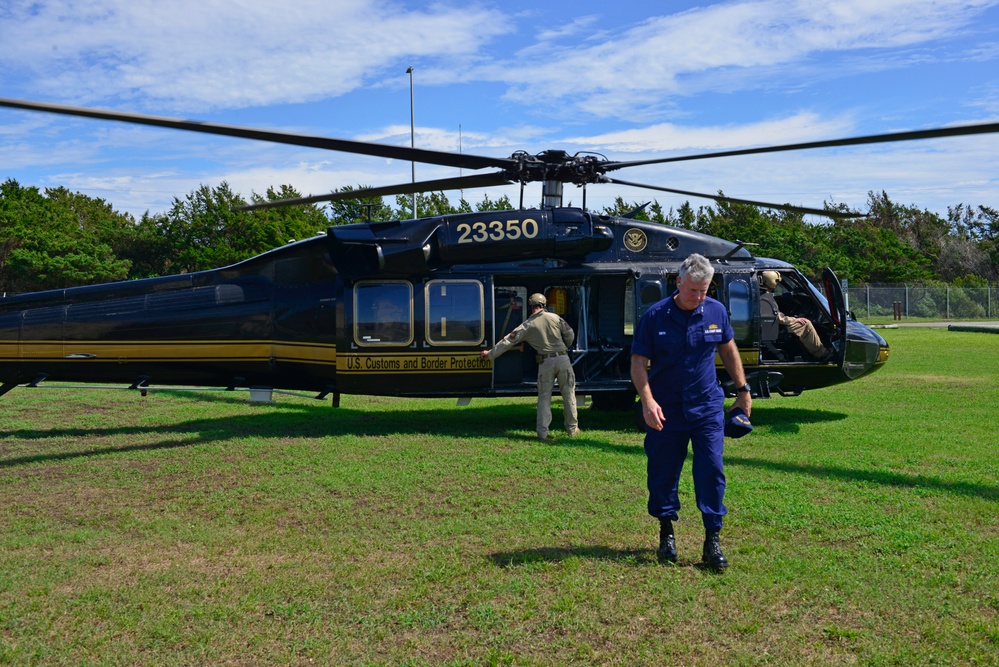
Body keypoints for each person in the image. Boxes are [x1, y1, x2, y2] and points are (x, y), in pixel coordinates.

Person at [630, 253, 751, 569]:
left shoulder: (716, 311)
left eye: (704, 290)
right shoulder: (655, 317)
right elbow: (638, 363)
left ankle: (712, 539)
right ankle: (666, 532)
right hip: (666, 409)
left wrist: (743, 390)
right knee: (663, 472)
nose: (698, 297)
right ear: (678, 282)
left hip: (707, 407)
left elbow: (728, 349)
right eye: (693, 290)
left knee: (711, 470)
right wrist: (647, 401)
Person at [481, 292, 578, 439]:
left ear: (530, 306)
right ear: (544, 305)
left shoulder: (527, 325)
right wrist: (564, 347)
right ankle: (572, 429)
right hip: (563, 359)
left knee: (544, 398)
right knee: (569, 395)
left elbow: (507, 342)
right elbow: (570, 334)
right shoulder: (556, 318)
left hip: (545, 363)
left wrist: (490, 354)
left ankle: (542, 433)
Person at [759, 271, 830, 360]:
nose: (777, 284)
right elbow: (780, 319)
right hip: (772, 328)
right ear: (772, 281)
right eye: (776, 281)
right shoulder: (766, 297)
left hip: (766, 327)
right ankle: (822, 354)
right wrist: (795, 319)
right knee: (805, 324)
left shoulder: (760, 294)